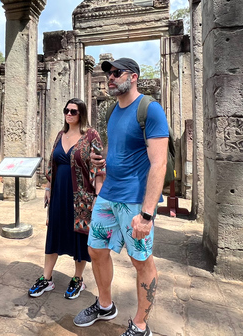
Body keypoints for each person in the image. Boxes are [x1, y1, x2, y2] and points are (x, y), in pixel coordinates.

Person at [74, 58, 169, 336]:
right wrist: (101, 161)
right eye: (109, 74)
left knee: (141, 260)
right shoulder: (113, 111)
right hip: (109, 195)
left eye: (116, 73)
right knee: (96, 249)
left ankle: (140, 325)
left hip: (134, 200)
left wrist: (147, 214)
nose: (110, 78)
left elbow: (158, 163)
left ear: (134, 77)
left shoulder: (149, 110)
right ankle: (105, 305)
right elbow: (119, 151)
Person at [29, 98, 104, 300]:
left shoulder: (91, 135)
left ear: (82, 114)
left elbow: (98, 168)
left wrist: (98, 196)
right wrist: (47, 187)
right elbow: (52, 164)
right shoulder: (60, 134)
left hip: (82, 196)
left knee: (79, 236)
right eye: (67, 110)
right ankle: (46, 278)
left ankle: (78, 279)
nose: (69, 114)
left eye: (74, 111)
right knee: (54, 231)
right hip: (59, 192)